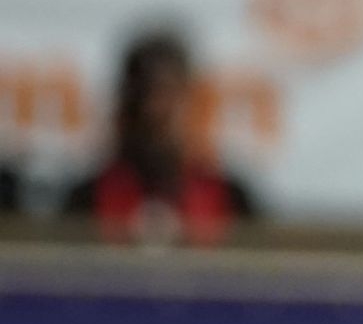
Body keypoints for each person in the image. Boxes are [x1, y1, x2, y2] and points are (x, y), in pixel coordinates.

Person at [64, 30, 255, 247]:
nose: (155, 111)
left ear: (192, 99)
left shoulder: (232, 199)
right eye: (142, 95)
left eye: (169, 94)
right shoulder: (86, 199)